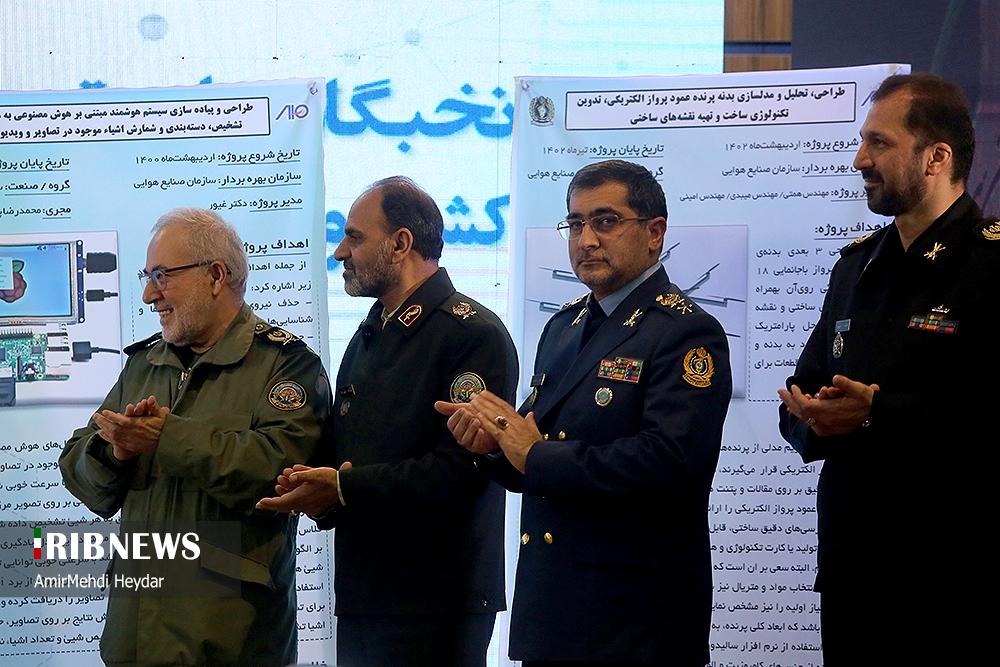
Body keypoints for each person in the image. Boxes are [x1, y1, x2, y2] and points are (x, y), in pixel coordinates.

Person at [436, 160, 732, 666]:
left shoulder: (684, 331)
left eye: (606, 221)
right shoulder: (563, 327)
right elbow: (531, 442)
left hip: (636, 621)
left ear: (655, 233)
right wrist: (493, 444)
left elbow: (671, 461)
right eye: (575, 224)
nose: (586, 240)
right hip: (554, 610)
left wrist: (534, 454)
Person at [778, 73, 999, 664]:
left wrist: (876, 415)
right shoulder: (856, 267)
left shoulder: (989, 262)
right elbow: (801, 391)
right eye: (862, 141)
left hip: (954, 576)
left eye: (879, 142)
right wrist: (812, 419)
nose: (860, 160)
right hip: (854, 570)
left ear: (936, 158)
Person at [256, 176, 518, 667]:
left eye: (354, 237)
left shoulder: (472, 335)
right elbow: (352, 453)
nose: (340, 252)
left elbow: (460, 471)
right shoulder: (369, 334)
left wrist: (343, 488)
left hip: (436, 602)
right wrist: (316, 491)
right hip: (366, 592)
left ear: (400, 244)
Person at [60, 208, 330, 666]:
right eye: (148, 277)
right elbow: (79, 471)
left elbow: (278, 473)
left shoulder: (286, 365)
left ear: (216, 276)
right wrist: (114, 452)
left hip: (230, 645)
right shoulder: (145, 364)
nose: (149, 295)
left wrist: (166, 437)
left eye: (162, 276)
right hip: (133, 642)